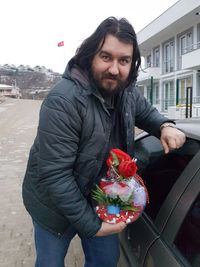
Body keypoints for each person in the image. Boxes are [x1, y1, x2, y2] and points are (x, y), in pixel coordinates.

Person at [22, 16, 186, 267]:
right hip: (54, 207)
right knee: (49, 262)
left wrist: (165, 126)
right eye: (106, 57)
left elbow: (145, 113)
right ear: (91, 56)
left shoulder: (127, 89)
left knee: (105, 260)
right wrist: (92, 226)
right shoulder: (63, 101)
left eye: (124, 61)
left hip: (102, 200)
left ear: (132, 64)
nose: (114, 69)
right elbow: (55, 175)